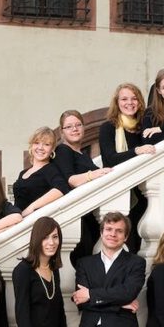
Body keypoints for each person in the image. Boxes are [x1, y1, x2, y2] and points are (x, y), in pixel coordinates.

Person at [98, 83, 156, 253]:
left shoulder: (145, 126)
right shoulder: (108, 127)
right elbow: (110, 159)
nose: (129, 102)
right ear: (117, 102)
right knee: (123, 238)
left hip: (145, 192)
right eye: (124, 99)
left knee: (140, 238)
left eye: (134, 98)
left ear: (139, 102)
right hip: (121, 191)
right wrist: (136, 151)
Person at [53, 110, 111, 264]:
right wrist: (93, 174)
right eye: (69, 126)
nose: (75, 129)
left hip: (87, 213)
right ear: (62, 132)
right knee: (82, 258)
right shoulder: (63, 151)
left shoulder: (82, 153)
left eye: (78, 125)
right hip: (77, 214)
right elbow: (71, 180)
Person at [13, 127, 70, 216]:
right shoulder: (23, 173)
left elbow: (61, 188)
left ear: (52, 149)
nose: (40, 147)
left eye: (46, 144)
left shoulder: (50, 169)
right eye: (37, 143)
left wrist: (32, 207)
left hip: (33, 221)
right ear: (31, 145)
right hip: (17, 220)